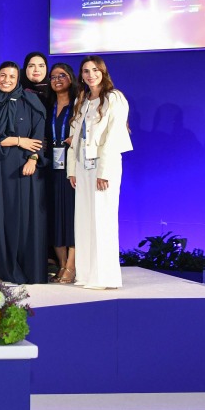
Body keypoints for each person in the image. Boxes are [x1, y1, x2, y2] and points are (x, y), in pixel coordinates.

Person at [0, 62, 48, 284]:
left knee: (24, 217)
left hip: (25, 168)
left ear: (18, 79)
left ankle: (25, 267)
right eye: (3, 75)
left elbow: (38, 135)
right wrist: (20, 141)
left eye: (12, 76)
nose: (6, 80)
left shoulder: (31, 101)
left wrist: (33, 159)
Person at [67, 56, 132, 290]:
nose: (90, 75)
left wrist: (104, 171)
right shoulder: (83, 99)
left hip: (104, 167)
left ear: (103, 72)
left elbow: (114, 137)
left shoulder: (114, 98)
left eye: (95, 70)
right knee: (83, 220)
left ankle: (104, 276)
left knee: (102, 220)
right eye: (85, 71)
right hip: (83, 166)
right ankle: (85, 275)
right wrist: (71, 170)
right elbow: (75, 137)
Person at [46, 63, 79, 283]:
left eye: (62, 75)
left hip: (73, 167)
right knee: (55, 216)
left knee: (72, 216)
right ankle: (60, 264)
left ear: (71, 79)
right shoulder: (47, 106)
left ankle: (72, 265)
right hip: (51, 167)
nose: (57, 79)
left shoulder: (79, 105)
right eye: (53, 76)